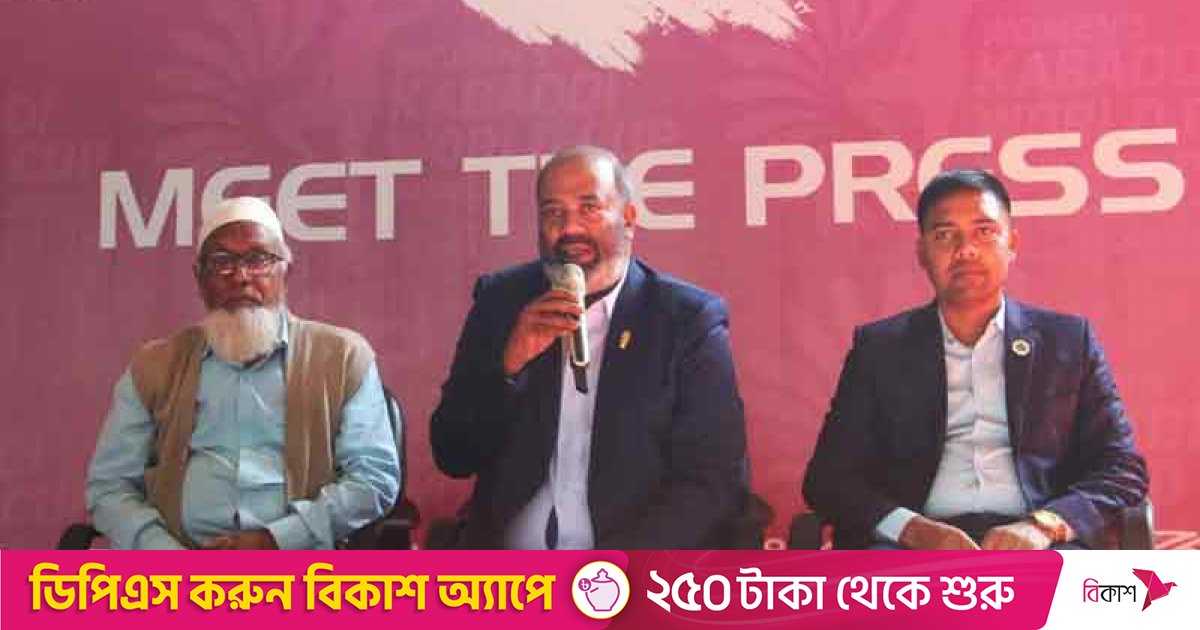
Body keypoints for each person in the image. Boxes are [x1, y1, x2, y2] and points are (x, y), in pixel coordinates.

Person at [803, 169, 1148, 550]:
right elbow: (829, 478)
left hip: (1040, 543)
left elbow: (1122, 468)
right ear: (922, 252)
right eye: (944, 235)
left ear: (1012, 243)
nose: (965, 250)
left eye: (984, 231)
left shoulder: (1067, 341)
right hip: (911, 548)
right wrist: (912, 529)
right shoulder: (880, 349)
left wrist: (1043, 526)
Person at [431, 145, 748, 548]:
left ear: (628, 218)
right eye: (553, 213)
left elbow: (713, 481)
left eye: (589, 208)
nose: (570, 229)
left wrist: (614, 570)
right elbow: (453, 454)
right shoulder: (501, 302)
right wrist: (507, 370)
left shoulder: (685, 320)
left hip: (630, 564)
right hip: (510, 568)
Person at [86, 197, 400, 549]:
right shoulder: (154, 366)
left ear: (285, 271)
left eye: (259, 259)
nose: (240, 276)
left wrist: (275, 541)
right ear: (199, 278)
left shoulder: (342, 357)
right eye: (222, 262)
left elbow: (373, 479)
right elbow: (109, 487)